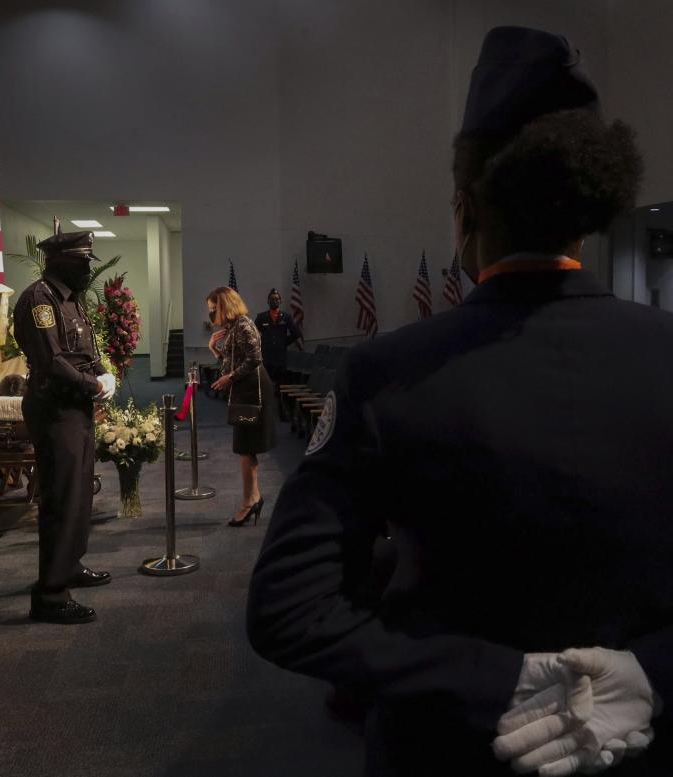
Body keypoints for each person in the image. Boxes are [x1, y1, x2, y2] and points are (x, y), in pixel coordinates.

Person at [247, 26, 673, 776]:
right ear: (590, 202)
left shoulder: (386, 373)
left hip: (449, 750)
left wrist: (497, 678)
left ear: (466, 208)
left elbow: (289, 609)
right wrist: (651, 671)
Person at [13, 226, 117, 625]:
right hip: (55, 410)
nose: (88, 269)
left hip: (76, 409)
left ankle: (70, 565)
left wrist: (103, 374)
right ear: (61, 262)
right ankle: (51, 595)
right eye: (82, 262)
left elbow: (84, 351)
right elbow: (51, 360)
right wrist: (92, 385)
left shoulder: (71, 301)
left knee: (79, 494)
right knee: (60, 499)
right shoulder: (40, 299)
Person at [207, 287, 278, 526]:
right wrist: (214, 349)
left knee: (246, 448)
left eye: (213, 308)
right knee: (246, 449)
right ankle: (253, 498)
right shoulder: (233, 328)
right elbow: (231, 363)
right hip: (243, 388)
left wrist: (230, 378)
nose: (211, 313)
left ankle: (249, 502)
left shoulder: (244, 325)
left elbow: (255, 358)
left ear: (224, 305)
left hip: (253, 390)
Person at [254, 288, 300, 418]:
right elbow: (253, 334)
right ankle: (263, 413)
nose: (274, 301)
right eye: (272, 299)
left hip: (280, 358)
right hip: (267, 357)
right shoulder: (262, 317)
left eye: (277, 299)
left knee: (282, 386)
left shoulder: (286, 317)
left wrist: (283, 343)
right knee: (265, 386)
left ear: (280, 301)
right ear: (268, 301)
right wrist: (262, 343)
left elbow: (296, 333)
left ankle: (283, 411)